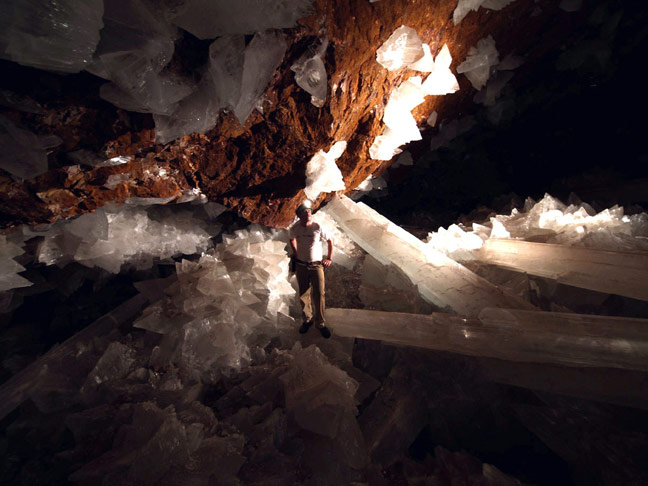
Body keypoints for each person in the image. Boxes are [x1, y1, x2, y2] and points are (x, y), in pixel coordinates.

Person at [289, 200, 333, 338]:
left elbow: (330, 240)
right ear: (299, 215)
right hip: (301, 265)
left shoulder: (317, 226)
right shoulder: (295, 228)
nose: (308, 212)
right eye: (304, 211)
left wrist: (329, 258)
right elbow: (292, 239)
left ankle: (320, 323)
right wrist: (296, 253)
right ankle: (307, 320)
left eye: (309, 210)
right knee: (304, 294)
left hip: (316, 265)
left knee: (319, 294)